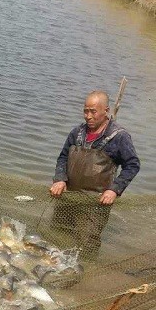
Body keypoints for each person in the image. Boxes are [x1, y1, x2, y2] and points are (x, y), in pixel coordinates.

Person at [49, 90, 140, 256]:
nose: (88, 116)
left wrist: (114, 189)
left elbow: (132, 165)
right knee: (58, 236)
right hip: (69, 195)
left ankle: (84, 277)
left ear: (106, 111)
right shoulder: (77, 132)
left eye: (93, 111)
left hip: (95, 202)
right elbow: (63, 157)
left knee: (86, 243)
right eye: (85, 111)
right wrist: (60, 179)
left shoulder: (119, 137)